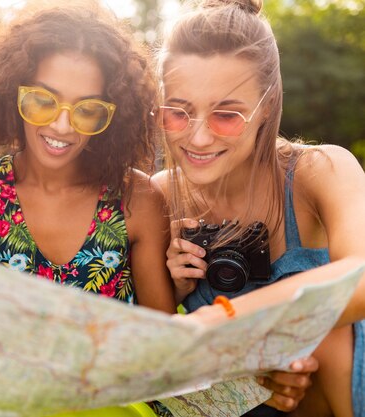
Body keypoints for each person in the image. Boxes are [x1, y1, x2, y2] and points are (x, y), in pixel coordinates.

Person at [0, 1, 314, 415]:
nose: (62, 126)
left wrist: (261, 375)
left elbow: (164, 339)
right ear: (11, 94)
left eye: (88, 110)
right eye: (43, 101)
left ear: (113, 115)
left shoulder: (135, 199)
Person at [152, 0, 365, 416]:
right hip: (239, 402)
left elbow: (360, 275)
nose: (197, 139)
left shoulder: (318, 170)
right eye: (178, 112)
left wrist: (217, 322)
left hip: (339, 391)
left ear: (266, 106)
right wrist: (172, 289)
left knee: (326, 320)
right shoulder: (158, 195)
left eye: (226, 115)